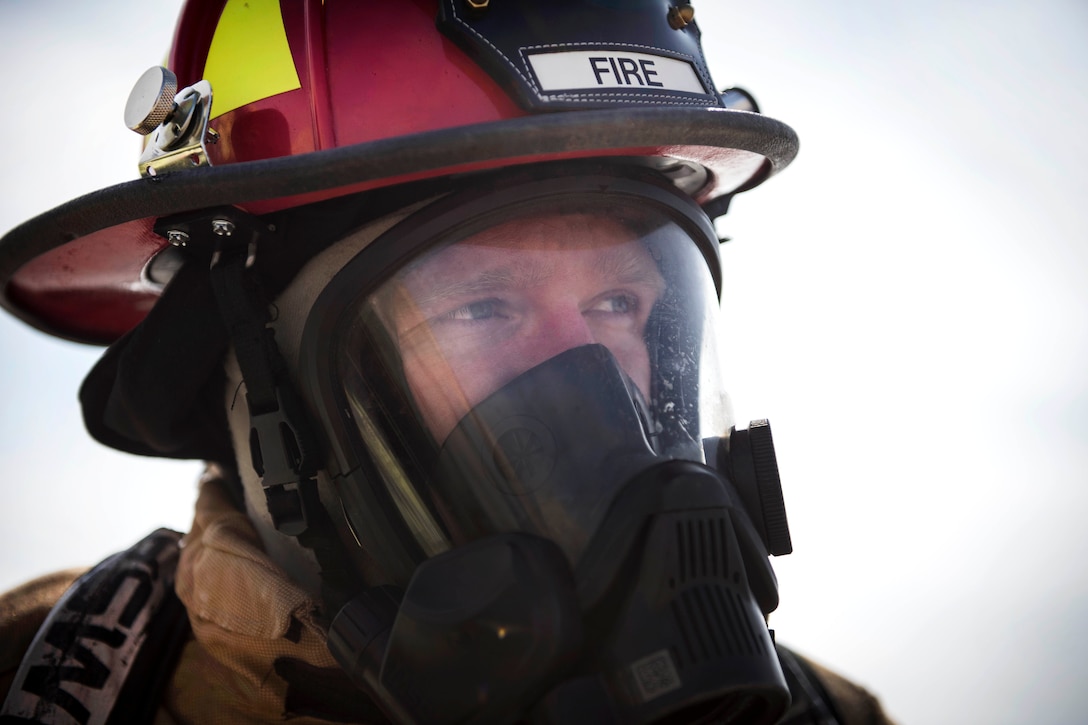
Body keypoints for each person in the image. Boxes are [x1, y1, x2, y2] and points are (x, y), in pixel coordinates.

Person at [0, 1, 894, 722]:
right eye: (483, 306)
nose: (585, 374)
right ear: (263, 381)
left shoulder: (835, 714)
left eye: (619, 302)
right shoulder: (37, 675)